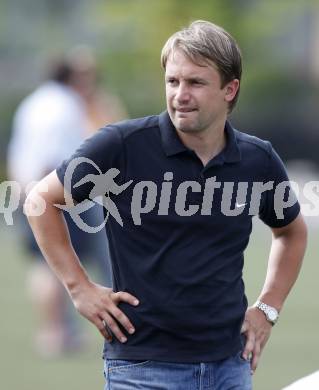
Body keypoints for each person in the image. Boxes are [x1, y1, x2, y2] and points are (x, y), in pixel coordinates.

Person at [25, 20, 307, 389]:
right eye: (173, 81)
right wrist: (79, 288)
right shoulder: (121, 146)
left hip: (230, 366)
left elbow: (291, 232)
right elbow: (40, 201)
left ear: (229, 89)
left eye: (195, 82)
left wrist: (267, 309)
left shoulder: (258, 159)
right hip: (142, 369)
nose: (180, 94)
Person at [7, 50, 122, 357]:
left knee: (45, 264)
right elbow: (58, 157)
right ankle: (75, 330)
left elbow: (19, 151)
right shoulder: (66, 105)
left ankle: (54, 333)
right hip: (61, 193)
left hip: (27, 189)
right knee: (87, 260)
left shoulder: (32, 103)